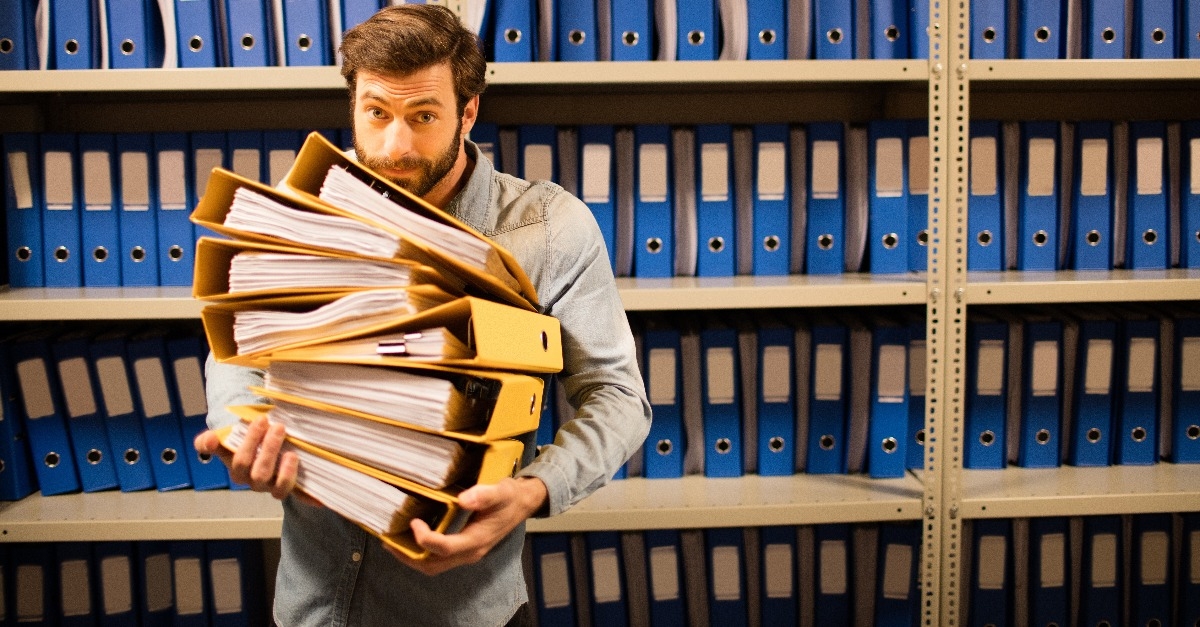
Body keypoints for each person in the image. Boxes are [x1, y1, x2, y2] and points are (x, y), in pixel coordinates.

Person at [192, 4, 652, 626]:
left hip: (466, 609)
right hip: (311, 605)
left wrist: (534, 490)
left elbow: (618, 396)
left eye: (424, 116)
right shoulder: (301, 216)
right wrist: (240, 428)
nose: (394, 146)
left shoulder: (548, 228)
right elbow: (241, 346)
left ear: (469, 111)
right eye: (376, 113)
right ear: (352, 104)